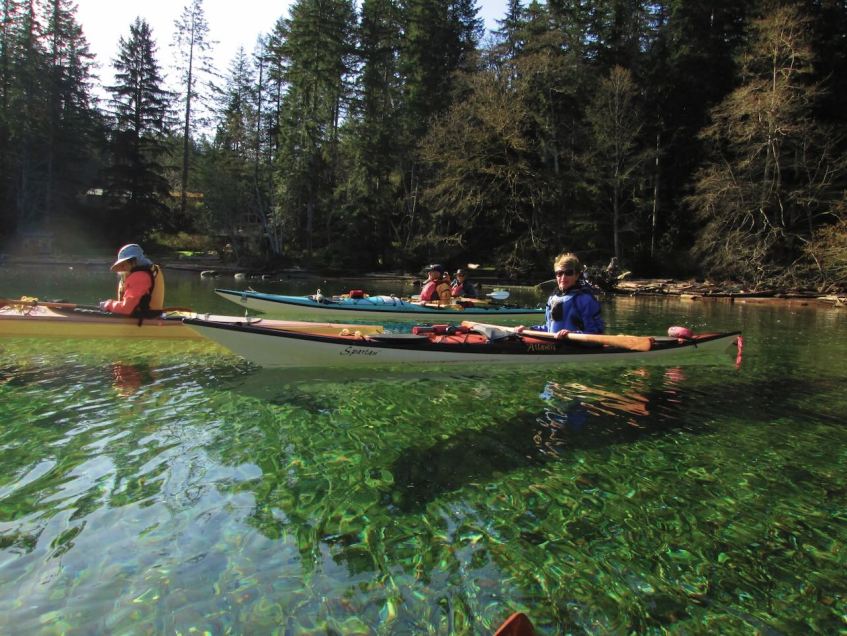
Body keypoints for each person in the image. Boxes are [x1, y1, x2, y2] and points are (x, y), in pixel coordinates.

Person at [516, 252, 604, 338]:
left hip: (576, 345)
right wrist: (528, 330)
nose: (563, 277)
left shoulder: (586, 299)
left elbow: (596, 333)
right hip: (555, 343)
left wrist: (571, 334)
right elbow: (549, 329)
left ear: (577, 275)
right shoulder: (552, 299)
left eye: (568, 273)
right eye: (559, 273)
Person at [99, 243, 166, 316]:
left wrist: (108, 304)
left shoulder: (139, 276)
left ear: (134, 262)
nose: (123, 268)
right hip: (147, 316)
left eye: (124, 264)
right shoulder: (142, 273)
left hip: (143, 318)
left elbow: (126, 308)